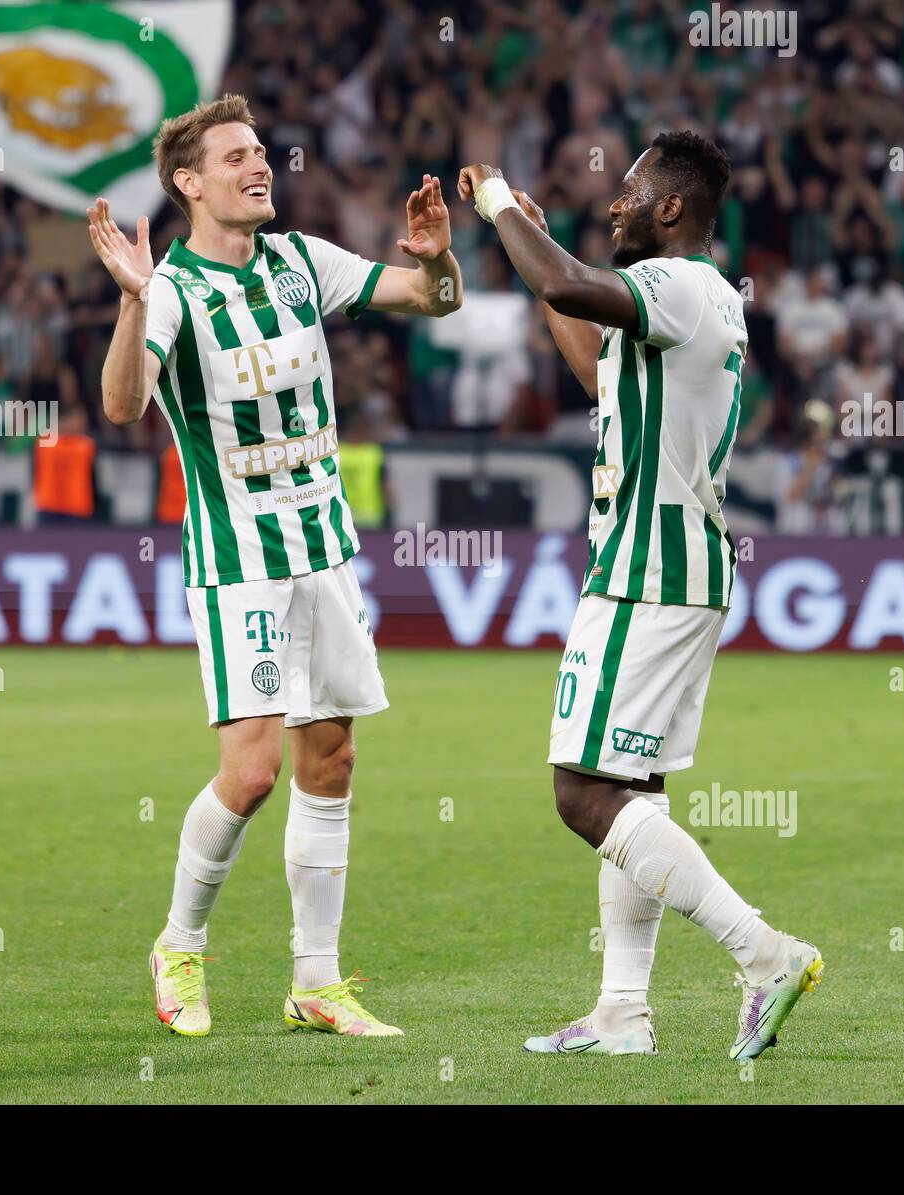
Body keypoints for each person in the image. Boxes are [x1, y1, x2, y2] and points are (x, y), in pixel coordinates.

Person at [87, 94, 462, 1039]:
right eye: (236, 157)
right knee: (251, 772)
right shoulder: (170, 290)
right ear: (189, 182)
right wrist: (134, 303)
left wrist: (438, 259)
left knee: (330, 759)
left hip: (324, 551)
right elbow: (124, 406)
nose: (261, 167)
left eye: (262, 152)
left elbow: (430, 300)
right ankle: (179, 944)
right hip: (238, 560)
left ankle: (317, 982)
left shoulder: (300, 260)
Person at [457, 132, 821, 1061]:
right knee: (632, 790)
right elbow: (593, 359)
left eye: (629, 191)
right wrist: (537, 259)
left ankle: (764, 952)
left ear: (671, 209)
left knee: (582, 794)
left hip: (643, 571)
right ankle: (622, 1012)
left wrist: (498, 201)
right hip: (677, 568)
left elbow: (576, 282)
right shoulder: (692, 305)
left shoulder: (684, 284)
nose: (612, 204)